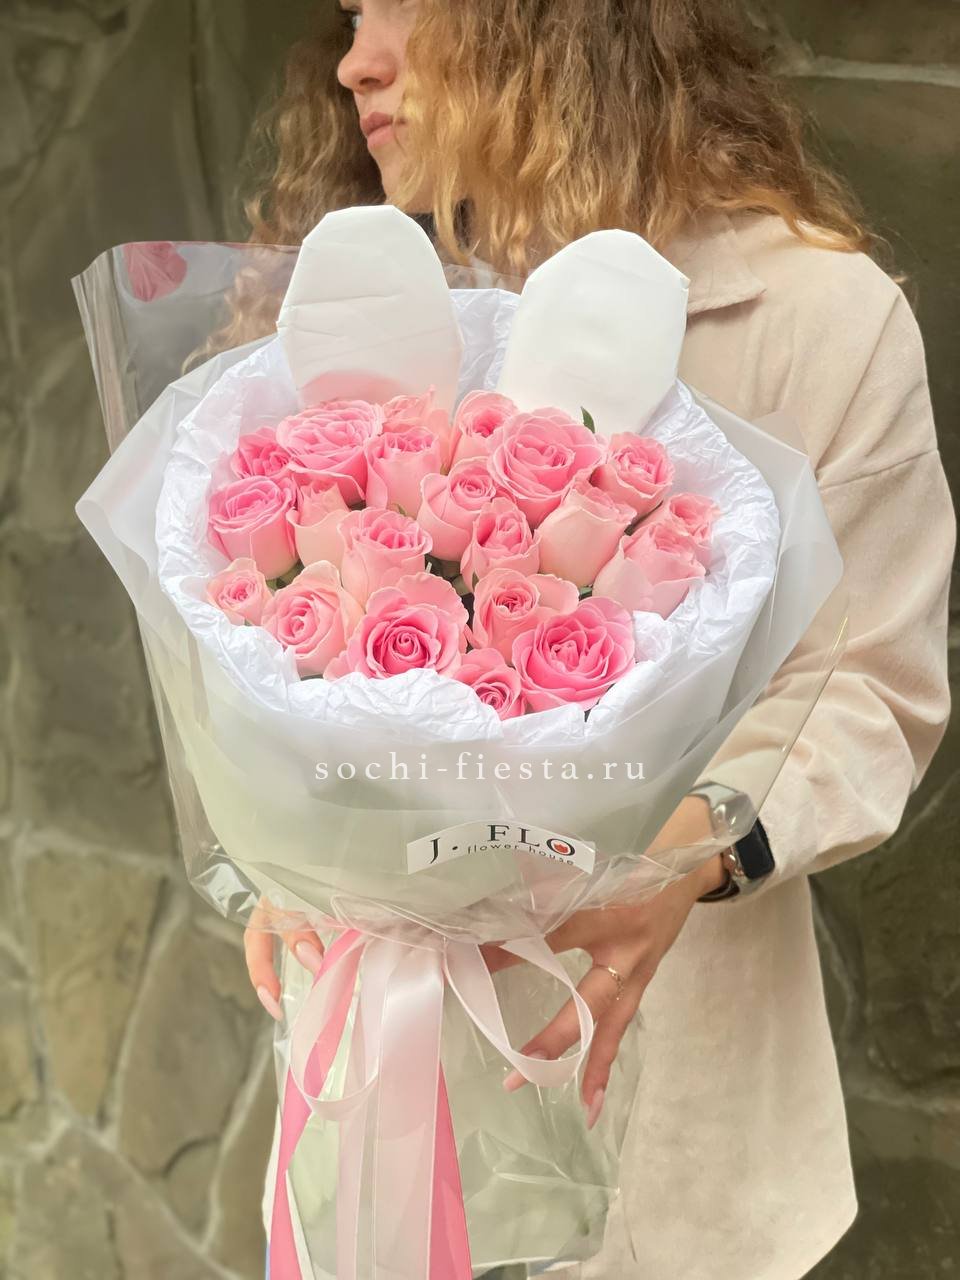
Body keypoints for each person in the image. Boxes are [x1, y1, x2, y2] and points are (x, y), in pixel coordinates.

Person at [242, 2, 955, 1276]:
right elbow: (277, 642)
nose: (354, 60)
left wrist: (686, 855)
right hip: (386, 1098)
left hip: (680, 1093)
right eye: (351, 13)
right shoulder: (381, 310)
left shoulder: (817, 314)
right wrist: (280, 856)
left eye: (401, 2)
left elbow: (872, 690)